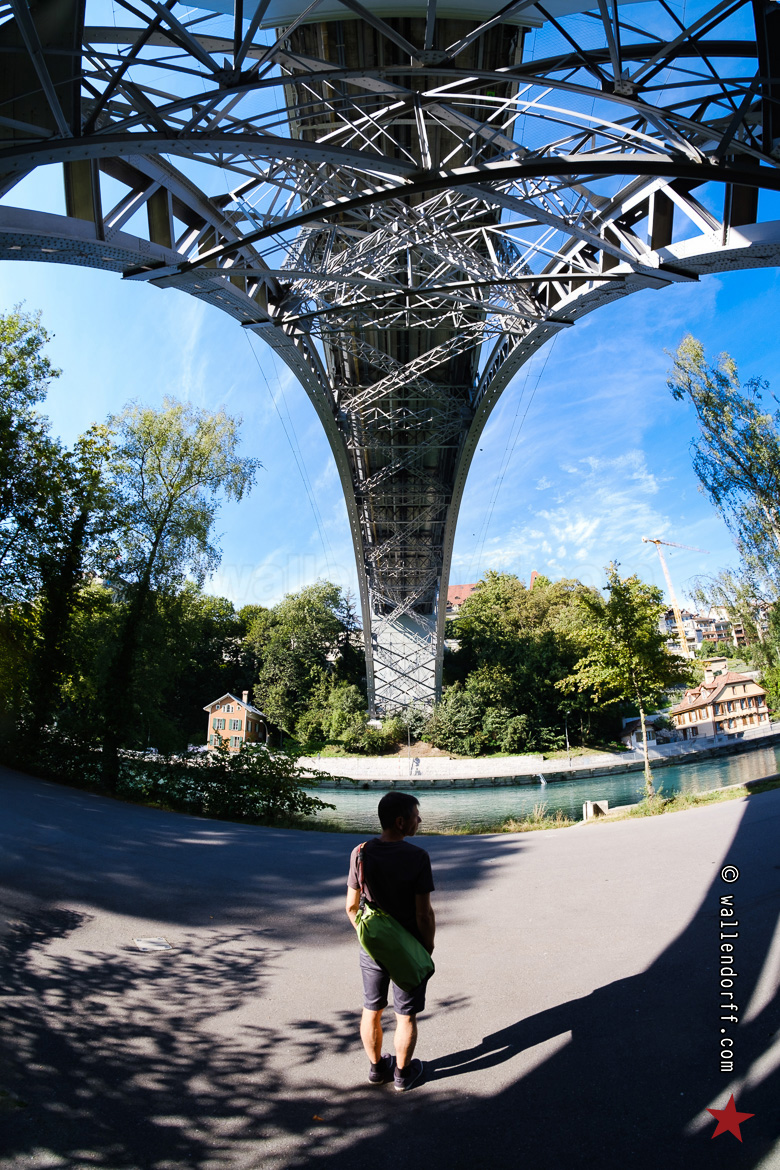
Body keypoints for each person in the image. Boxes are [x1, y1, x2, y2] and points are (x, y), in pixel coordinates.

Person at [345, 790, 435, 1092]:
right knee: (405, 1015)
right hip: (408, 950)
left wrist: (368, 937)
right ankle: (403, 1075)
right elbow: (423, 914)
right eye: (416, 816)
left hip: (373, 948)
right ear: (400, 822)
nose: (419, 821)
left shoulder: (360, 852)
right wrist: (426, 948)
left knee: (371, 1009)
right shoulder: (418, 857)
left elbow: (351, 907)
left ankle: (376, 1069)